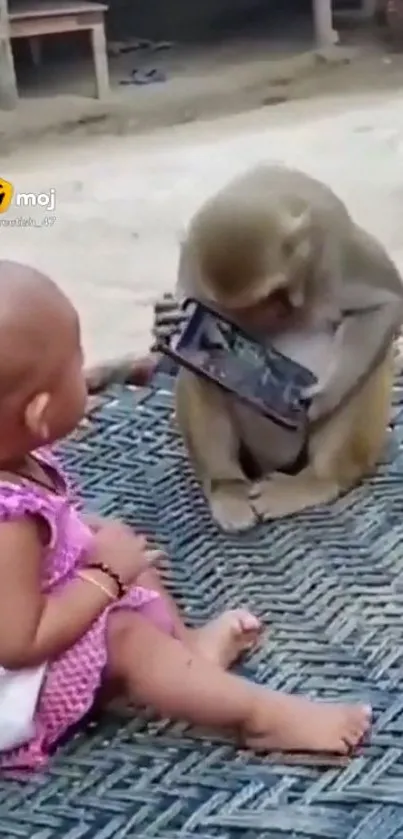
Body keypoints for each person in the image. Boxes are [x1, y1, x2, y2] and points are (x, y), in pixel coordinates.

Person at [0, 260, 371, 771]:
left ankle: (189, 652)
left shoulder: (16, 459)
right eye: (75, 364)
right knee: (125, 636)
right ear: (38, 413)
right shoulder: (8, 523)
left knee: (114, 544)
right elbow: (20, 643)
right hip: (15, 692)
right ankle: (259, 716)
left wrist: (99, 559)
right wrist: (104, 576)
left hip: (29, 612)